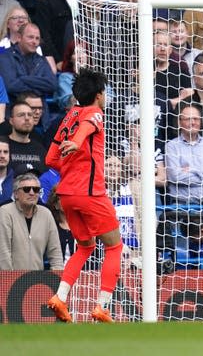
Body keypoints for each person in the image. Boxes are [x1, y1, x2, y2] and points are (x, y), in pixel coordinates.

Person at [45, 68, 123, 323]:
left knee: (85, 247)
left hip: (66, 193)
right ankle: (102, 306)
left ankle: (60, 296)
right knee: (114, 246)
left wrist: (71, 166)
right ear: (99, 95)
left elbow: (50, 159)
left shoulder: (69, 116)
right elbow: (89, 126)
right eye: (106, 92)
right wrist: (78, 143)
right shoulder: (95, 113)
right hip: (90, 193)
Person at [165, 103, 203, 205]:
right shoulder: (172, 146)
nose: (193, 122)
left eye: (196, 119)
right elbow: (175, 177)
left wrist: (193, 169)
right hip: (180, 208)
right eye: (188, 119)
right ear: (179, 122)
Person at [0, 172, 63, 270]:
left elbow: (56, 254)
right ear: (16, 194)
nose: (32, 193)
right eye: (26, 189)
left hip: (36, 282)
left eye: (36, 189)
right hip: (9, 281)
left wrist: (57, 280)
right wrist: (10, 281)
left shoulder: (46, 214)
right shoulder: (5, 212)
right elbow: (3, 254)